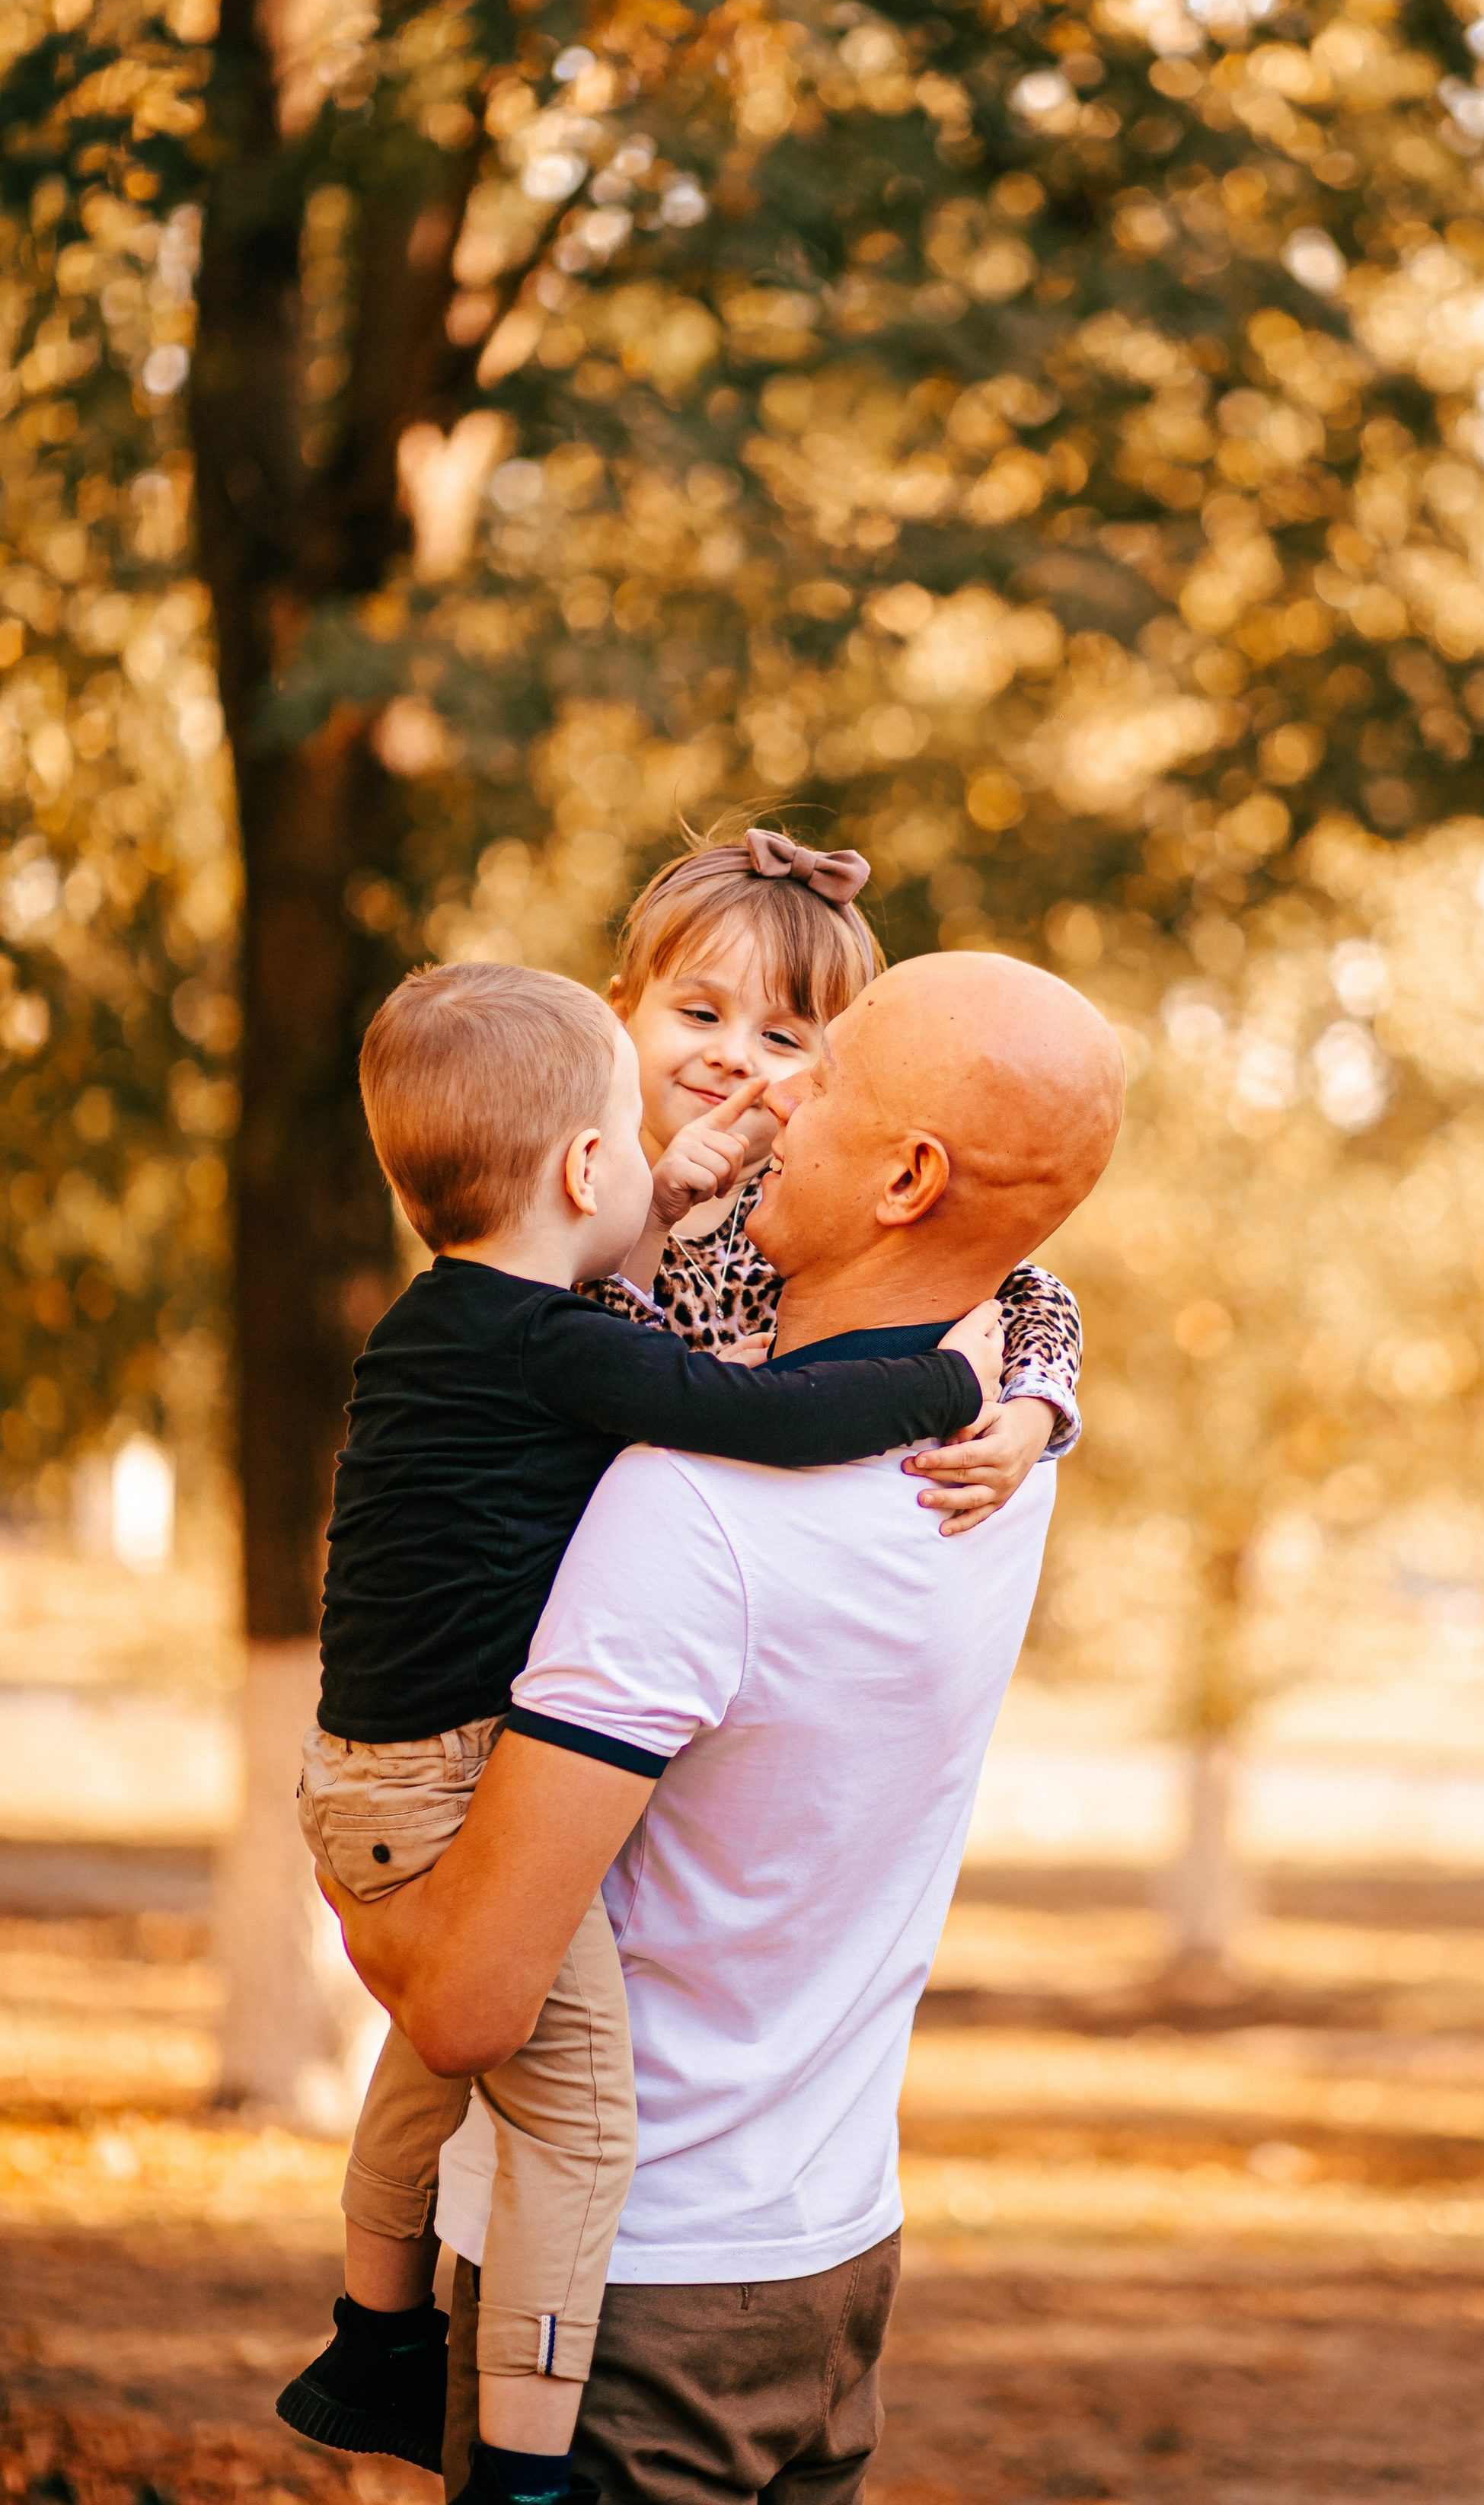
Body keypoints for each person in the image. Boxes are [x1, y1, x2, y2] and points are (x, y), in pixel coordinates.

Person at [321, 950, 1125, 2505]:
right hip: (829, 2261)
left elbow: (468, 2005)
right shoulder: (995, 1466)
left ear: (905, 1176)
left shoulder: (685, 1515)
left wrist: (354, 1887)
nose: (765, 1089)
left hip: (623, 2300)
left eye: (817, 1072)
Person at [587, 825, 1086, 1534]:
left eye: (782, 1039)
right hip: (634, 1542)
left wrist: (1035, 1408)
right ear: (619, 1017)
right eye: (701, 1015)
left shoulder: (820, 1202)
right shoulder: (578, 1192)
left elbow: (1029, 1291)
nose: (733, 1056)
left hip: (805, 1529)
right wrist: (654, 1221)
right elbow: (582, 1363)